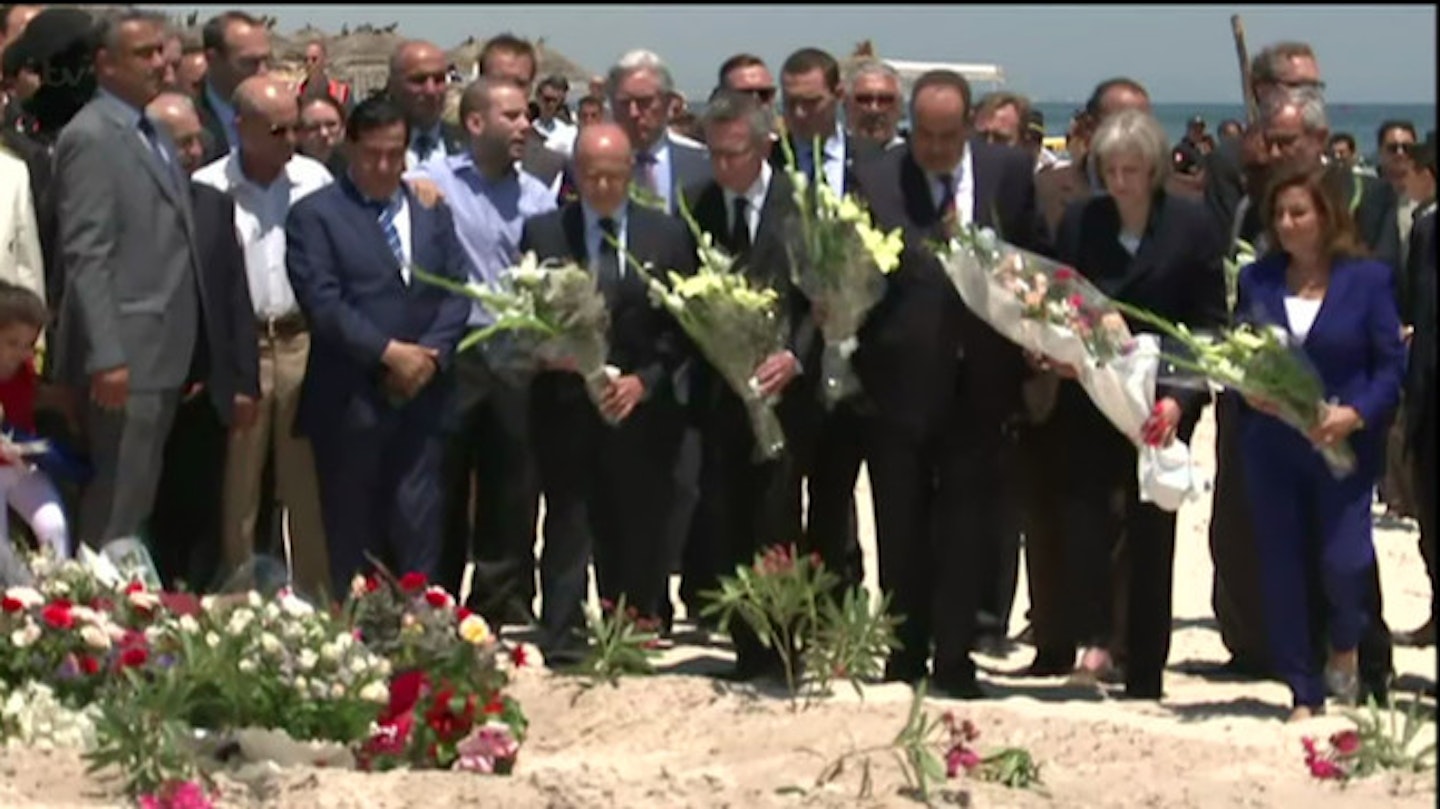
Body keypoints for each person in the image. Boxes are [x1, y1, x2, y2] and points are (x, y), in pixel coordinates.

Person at [850, 68, 1046, 698]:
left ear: (968, 126)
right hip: (899, 383)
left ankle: (955, 657)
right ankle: (905, 651)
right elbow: (855, 277)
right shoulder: (877, 179)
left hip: (982, 381)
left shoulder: (1008, 175)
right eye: (924, 135)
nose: (934, 148)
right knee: (900, 526)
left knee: (967, 527)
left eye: (946, 135)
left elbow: (1035, 259)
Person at [1051, 109, 1228, 698]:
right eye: (1111, 169)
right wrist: (1059, 351)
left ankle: (1146, 663)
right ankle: (1095, 643)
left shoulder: (1191, 224)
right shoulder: (1082, 220)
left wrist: (1179, 399)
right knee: (1086, 522)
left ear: (1154, 170)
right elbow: (1061, 302)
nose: (1120, 181)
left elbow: (1206, 323)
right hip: (1093, 395)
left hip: (1161, 401)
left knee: (1152, 528)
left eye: (1131, 170)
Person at [520, 122, 694, 664]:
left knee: (637, 517)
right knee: (569, 519)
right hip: (567, 403)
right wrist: (554, 355)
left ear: (630, 174)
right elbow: (528, 318)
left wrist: (644, 383)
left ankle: (633, 624)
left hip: (639, 406)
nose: (601, 186)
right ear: (574, 174)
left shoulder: (665, 234)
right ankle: (563, 632)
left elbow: (683, 329)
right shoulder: (546, 232)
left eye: (612, 175)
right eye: (591, 175)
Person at [285, 95, 472, 598]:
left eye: (396, 154)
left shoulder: (431, 210)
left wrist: (429, 355)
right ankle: (360, 642)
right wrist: (390, 353)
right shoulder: (315, 216)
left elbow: (457, 289)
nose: (385, 166)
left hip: (425, 398)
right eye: (373, 154)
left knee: (420, 525)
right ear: (350, 147)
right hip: (352, 400)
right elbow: (323, 303)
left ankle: (420, 636)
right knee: (352, 531)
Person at [1237, 165, 1406, 721]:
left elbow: (1390, 366)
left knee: (1345, 561)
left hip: (1345, 449)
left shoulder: (1368, 279)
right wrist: (1251, 389)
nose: (1287, 224)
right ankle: (1303, 690)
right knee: (1281, 567)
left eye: (1298, 213)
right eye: (1279, 215)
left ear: (1326, 216)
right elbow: (1243, 353)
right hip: (1274, 446)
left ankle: (1345, 644)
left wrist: (1356, 414)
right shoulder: (1257, 280)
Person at [52, 8, 204, 558]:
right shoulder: (91, 137)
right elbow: (86, 253)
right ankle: (90, 617)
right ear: (105, 64)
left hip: (164, 351)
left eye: (162, 52)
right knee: (114, 500)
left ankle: (116, 614)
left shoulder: (154, 132)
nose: (160, 64)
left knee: (136, 497)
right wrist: (106, 355)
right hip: (124, 356)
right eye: (144, 54)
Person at [680, 89, 816, 679]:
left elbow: (823, 300)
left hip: (787, 395)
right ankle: (745, 646)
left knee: (780, 522)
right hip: (721, 397)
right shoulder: (696, 204)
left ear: (763, 145)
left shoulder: (802, 205)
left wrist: (795, 355)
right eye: (714, 154)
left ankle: (786, 645)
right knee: (727, 520)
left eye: (735, 154)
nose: (724, 165)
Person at [411, 76, 557, 623]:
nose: (526, 126)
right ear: (475, 123)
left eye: (528, 117)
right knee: (443, 479)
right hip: (455, 348)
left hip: (516, 351)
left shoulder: (539, 196)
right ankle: (437, 597)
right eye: (513, 116)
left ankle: (503, 602)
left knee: (512, 482)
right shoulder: (430, 182)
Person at [194, 76, 334, 599]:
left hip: (300, 339)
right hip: (242, 345)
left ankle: (317, 599)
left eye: (295, 127)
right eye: (277, 130)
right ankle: (240, 598)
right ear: (242, 127)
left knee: (306, 482)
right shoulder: (210, 187)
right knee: (238, 484)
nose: (290, 140)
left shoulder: (314, 180)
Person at [145, 90, 260, 592]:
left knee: (206, 513)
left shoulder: (213, 205)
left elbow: (237, 297)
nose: (194, 152)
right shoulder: (133, 205)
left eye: (198, 140)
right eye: (181, 142)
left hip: (206, 391)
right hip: (148, 389)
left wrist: (243, 382)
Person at [0, 281, 71, 583]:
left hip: (19, 465)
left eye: (28, 345)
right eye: (12, 343)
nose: (21, 353)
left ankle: (57, 594)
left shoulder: (24, 373)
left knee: (53, 524)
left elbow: (36, 397)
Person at [197, 10, 272, 164]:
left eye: (266, 60)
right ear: (212, 59)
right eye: (250, 63)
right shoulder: (189, 121)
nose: (263, 72)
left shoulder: (281, 116)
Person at [298, 93, 347, 178]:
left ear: (343, 128)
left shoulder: (355, 170)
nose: (324, 133)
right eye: (313, 127)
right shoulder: (286, 171)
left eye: (331, 125)